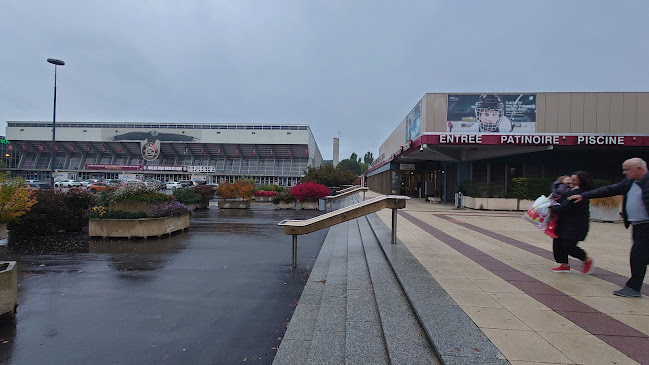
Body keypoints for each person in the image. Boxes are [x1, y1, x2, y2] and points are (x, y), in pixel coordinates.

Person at [569, 157, 649, 298]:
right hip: (638, 225)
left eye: (627, 170)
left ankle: (633, 288)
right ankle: (634, 286)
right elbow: (609, 190)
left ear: (639, 169)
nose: (624, 173)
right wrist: (584, 195)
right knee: (641, 256)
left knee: (638, 255)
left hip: (646, 225)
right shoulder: (630, 182)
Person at [550, 171, 595, 274]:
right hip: (563, 223)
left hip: (575, 225)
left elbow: (565, 207)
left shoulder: (579, 193)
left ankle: (586, 260)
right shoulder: (568, 191)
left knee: (568, 246)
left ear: (581, 181)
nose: (571, 181)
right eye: (571, 179)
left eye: (574, 180)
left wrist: (552, 207)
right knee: (558, 244)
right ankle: (564, 265)